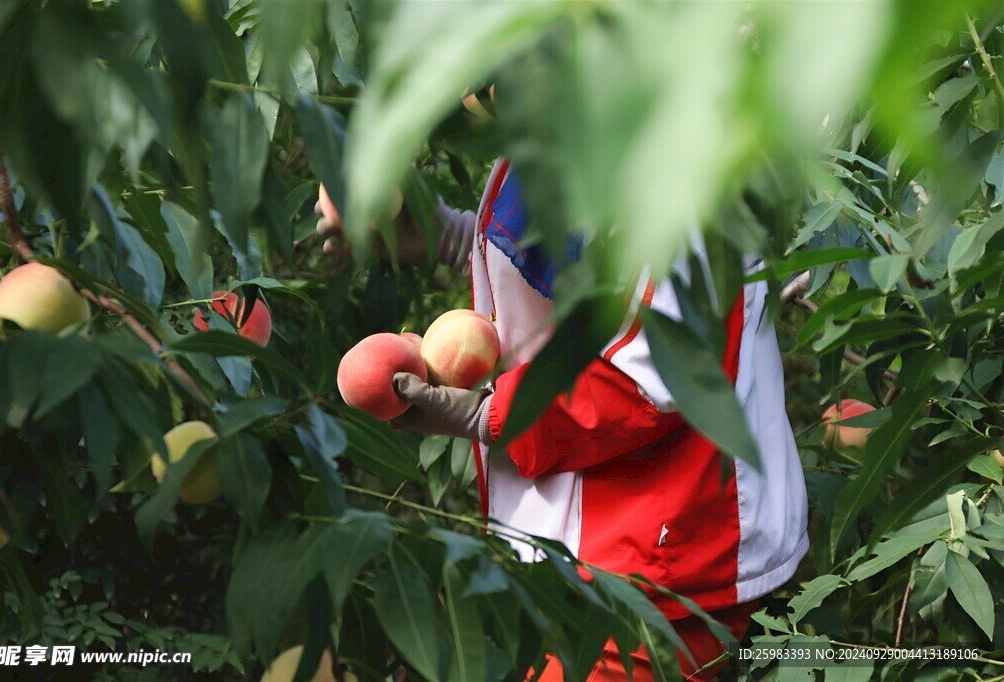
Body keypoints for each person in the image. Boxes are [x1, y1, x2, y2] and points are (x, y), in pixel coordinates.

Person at [317, 156, 808, 681]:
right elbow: (586, 279)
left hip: (657, 566)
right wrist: (452, 237)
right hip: (577, 558)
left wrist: (493, 414)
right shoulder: (563, 114)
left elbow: (657, 373)